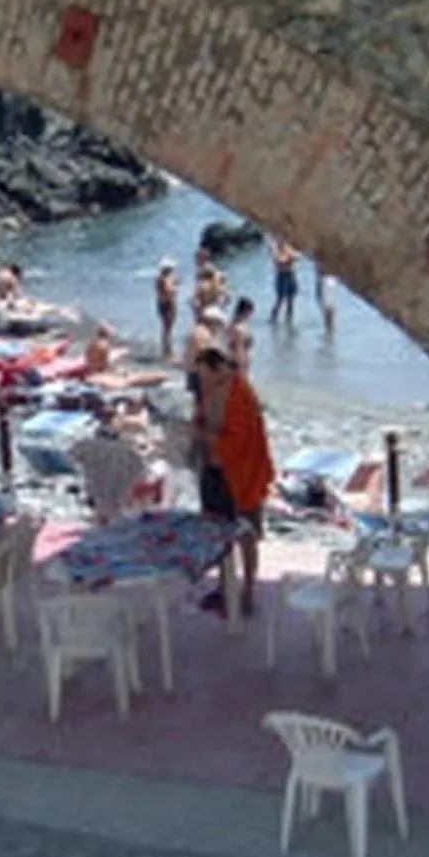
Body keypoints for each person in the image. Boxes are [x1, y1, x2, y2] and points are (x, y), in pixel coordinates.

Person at [193, 344, 273, 620]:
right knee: (217, 530)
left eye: (204, 374)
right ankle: (224, 585)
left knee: (246, 534)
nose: (201, 379)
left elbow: (237, 439)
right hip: (214, 471)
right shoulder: (209, 391)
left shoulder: (241, 394)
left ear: (218, 370)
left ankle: (249, 590)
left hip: (242, 474)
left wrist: (206, 436)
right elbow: (204, 424)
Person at [268, 235, 299, 326]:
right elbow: (279, 261)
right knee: (280, 300)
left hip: (291, 274)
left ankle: (289, 322)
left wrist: (290, 258)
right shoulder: (275, 248)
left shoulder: (289, 246)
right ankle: (272, 320)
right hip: (282, 276)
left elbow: (297, 256)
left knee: (291, 300)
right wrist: (290, 258)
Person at [154, 259, 179, 359]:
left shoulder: (159, 278)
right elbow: (170, 291)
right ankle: (168, 352)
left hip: (161, 304)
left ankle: (166, 350)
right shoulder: (166, 280)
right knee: (168, 328)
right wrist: (174, 286)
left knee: (166, 328)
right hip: (168, 305)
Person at [227, 295, 256, 371]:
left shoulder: (232, 324)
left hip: (234, 363)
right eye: (251, 311)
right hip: (239, 365)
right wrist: (241, 369)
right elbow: (239, 350)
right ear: (246, 310)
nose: (251, 314)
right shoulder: (239, 328)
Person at [317, 269, 339, 340]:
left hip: (326, 280)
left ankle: (328, 330)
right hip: (331, 280)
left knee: (327, 307)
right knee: (330, 306)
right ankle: (330, 330)